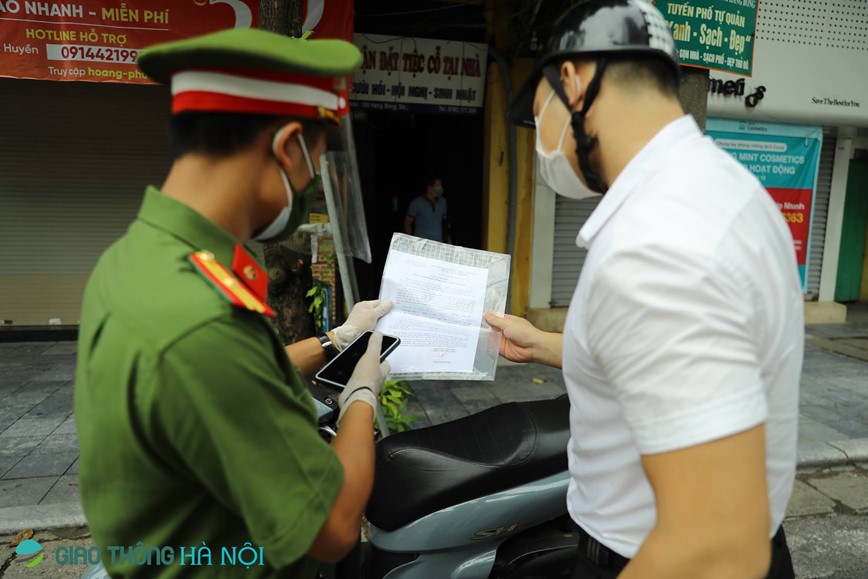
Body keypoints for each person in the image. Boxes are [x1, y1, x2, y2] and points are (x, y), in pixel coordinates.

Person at [485, 1, 801, 578]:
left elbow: (715, 545)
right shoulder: (727, 189)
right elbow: (652, 357)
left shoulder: (654, 244)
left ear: (574, 83)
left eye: (538, 116)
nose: (540, 142)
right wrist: (545, 343)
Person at [74, 28, 392, 578]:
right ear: (288, 146)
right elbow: (335, 525)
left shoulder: (137, 258)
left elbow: (234, 380)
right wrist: (363, 394)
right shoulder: (199, 319)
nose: (313, 179)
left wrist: (334, 339)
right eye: (315, 160)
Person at [404, 176, 451, 243]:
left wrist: (449, 242)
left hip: (439, 242)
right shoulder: (417, 203)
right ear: (429, 187)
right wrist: (411, 241)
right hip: (421, 243)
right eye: (438, 185)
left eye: (441, 185)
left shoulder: (443, 202)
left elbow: (445, 224)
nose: (440, 188)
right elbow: (407, 223)